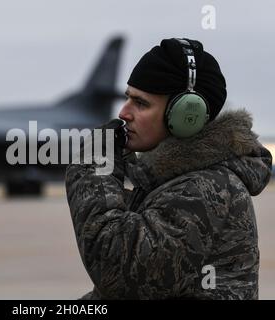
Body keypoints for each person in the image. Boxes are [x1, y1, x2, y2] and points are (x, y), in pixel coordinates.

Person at [65, 38, 273, 299]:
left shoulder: (206, 188)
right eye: (128, 98)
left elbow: (119, 274)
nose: (123, 112)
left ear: (187, 116)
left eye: (141, 103)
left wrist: (94, 168)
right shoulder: (169, 182)